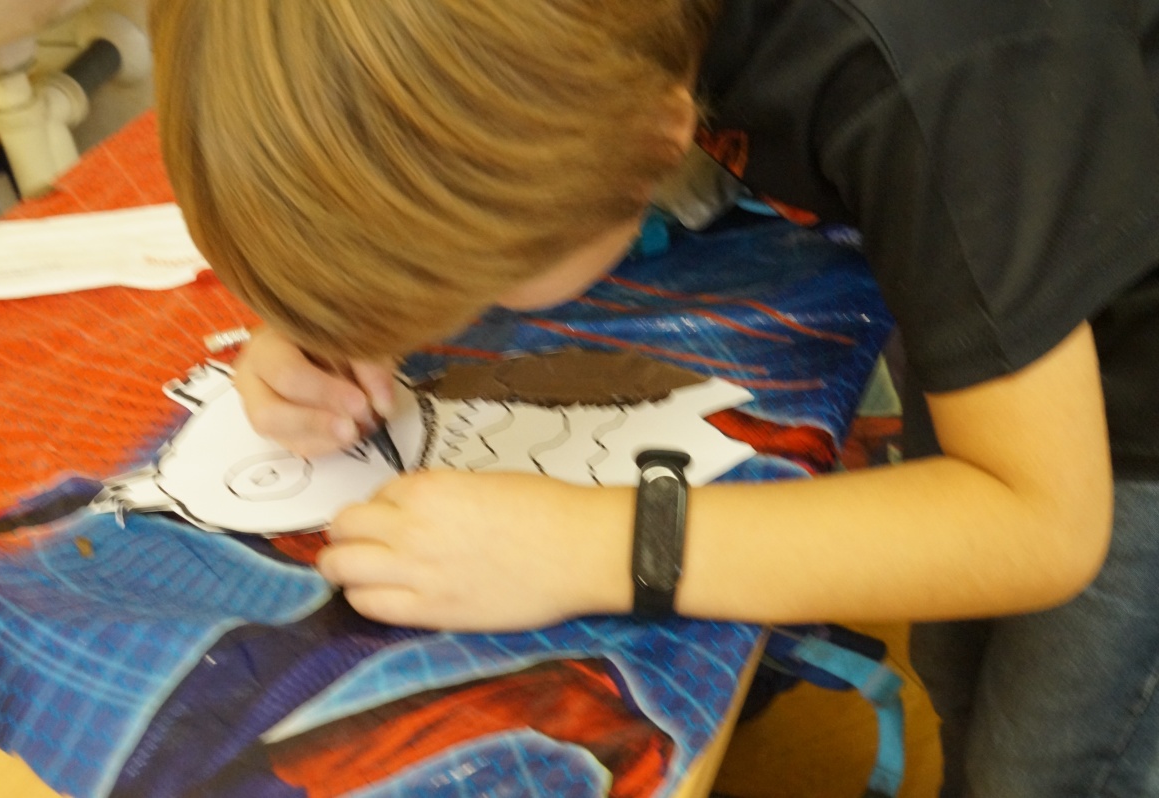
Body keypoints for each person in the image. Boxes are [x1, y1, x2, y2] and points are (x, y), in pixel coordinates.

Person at [148, 1, 1159, 795]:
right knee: (965, 669)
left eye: (478, 286)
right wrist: (338, 295)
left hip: (1135, 377)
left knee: (1059, 755)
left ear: (661, 136)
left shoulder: (928, 74)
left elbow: (1038, 521)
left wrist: (593, 546)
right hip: (1017, 273)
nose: (443, 325)